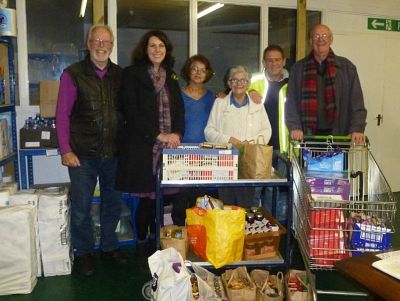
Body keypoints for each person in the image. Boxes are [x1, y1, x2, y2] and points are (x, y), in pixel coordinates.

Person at [55, 24, 126, 277]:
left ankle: (109, 246)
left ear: (112, 45)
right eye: (96, 40)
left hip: (114, 154)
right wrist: (65, 149)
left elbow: (130, 109)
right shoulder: (72, 75)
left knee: (112, 204)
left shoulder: (120, 75)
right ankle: (83, 253)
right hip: (82, 155)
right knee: (82, 207)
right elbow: (62, 115)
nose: (101, 45)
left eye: (105, 41)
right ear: (88, 44)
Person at [116, 30, 184, 243]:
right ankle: (142, 242)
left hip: (169, 148)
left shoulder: (171, 77)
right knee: (146, 197)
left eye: (161, 46)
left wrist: (176, 134)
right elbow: (130, 110)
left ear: (167, 50)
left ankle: (159, 237)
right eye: (152, 46)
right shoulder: (132, 74)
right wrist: (158, 135)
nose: (157, 50)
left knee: (165, 196)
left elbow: (179, 110)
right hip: (142, 146)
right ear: (145, 49)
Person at [285, 24, 367, 144]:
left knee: (338, 164)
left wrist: (357, 128)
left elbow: (357, 101)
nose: (320, 39)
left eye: (324, 35)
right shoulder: (298, 69)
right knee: (308, 164)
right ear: (311, 41)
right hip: (307, 137)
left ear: (331, 39)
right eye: (316, 36)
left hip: (339, 135)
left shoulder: (346, 67)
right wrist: (294, 126)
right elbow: (291, 102)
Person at [205, 65, 272, 208]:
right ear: (229, 84)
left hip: (249, 160)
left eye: (242, 80)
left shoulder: (257, 104)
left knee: (246, 205)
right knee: (227, 205)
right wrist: (230, 140)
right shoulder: (220, 103)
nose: (238, 84)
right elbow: (209, 131)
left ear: (248, 83)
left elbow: (267, 130)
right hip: (225, 161)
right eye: (234, 80)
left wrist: (250, 143)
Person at [171, 54, 215, 226]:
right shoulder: (177, 94)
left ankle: (201, 234)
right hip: (181, 152)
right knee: (181, 196)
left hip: (205, 152)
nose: (198, 73)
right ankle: (179, 234)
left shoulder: (212, 97)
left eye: (202, 70)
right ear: (188, 71)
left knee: (203, 198)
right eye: (194, 69)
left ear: (207, 74)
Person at [248, 45, 290, 221]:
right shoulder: (254, 80)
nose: (274, 63)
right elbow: (233, 93)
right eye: (270, 60)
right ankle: (253, 233)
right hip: (258, 148)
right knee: (254, 191)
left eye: (277, 59)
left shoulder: (293, 82)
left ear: (284, 61)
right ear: (264, 62)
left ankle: (274, 233)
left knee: (277, 193)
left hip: (284, 148)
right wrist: (249, 91)